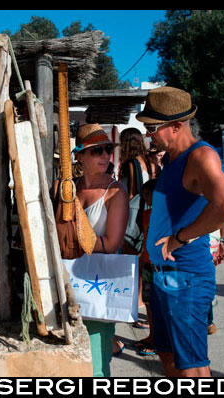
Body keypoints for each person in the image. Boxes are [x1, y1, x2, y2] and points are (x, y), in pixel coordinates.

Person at [137, 86, 224, 377]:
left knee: (192, 369)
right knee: (168, 356)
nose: (148, 134)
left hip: (186, 277)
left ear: (176, 126)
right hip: (163, 275)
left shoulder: (201, 156)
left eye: (152, 127)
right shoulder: (170, 159)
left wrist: (181, 237)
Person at [72, 123, 129, 377]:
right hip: (66, 283)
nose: (106, 156)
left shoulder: (115, 191)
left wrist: (70, 239)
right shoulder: (65, 187)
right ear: (80, 155)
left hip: (96, 282)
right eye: (98, 151)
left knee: (96, 360)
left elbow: (112, 243)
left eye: (108, 150)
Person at [117, 127, 160, 313]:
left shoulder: (130, 164)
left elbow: (132, 191)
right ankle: (143, 299)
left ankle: (137, 298)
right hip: (150, 211)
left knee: (131, 257)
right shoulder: (150, 162)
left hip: (135, 212)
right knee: (145, 257)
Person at [134, 178, 158, 356]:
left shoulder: (164, 215)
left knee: (158, 305)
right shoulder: (145, 214)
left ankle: (158, 340)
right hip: (148, 263)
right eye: (145, 194)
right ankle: (152, 335)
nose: (146, 197)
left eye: (148, 194)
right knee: (149, 303)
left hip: (159, 265)